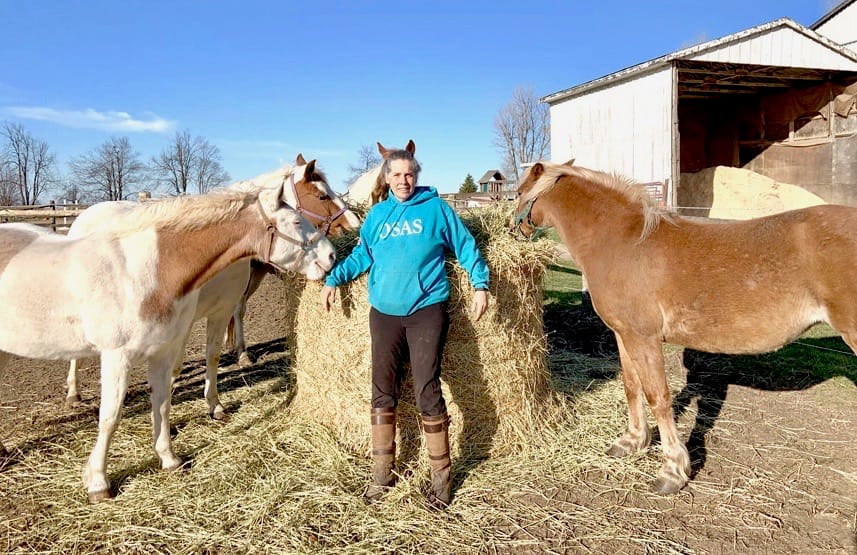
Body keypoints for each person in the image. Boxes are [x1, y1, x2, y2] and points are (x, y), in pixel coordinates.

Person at [321, 144, 489, 508]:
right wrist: (334, 279)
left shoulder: (436, 209)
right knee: (382, 390)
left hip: (426, 310)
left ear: (417, 176)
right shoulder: (378, 215)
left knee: (427, 389)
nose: (403, 180)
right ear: (386, 178)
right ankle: (382, 474)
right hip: (384, 313)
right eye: (396, 174)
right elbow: (363, 254)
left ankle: (441, 479)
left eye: (409, 174)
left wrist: (480, 283)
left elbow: (465, 245)